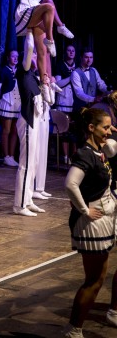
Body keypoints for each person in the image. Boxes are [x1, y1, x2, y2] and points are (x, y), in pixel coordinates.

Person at [63, 107, 117, 338]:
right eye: (105, 127)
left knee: (98, 278)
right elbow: (70, 184)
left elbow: (113, 149)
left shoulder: (99, 150)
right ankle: (74, 330)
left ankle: (110, 313)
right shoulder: (85, 154)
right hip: (92, 222)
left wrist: (108, 135)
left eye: (110, 126)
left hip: (106, 216)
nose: (109, 131)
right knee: (94, 281)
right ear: (90, 128)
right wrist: (84, 210)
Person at [13, 33, 56, 216]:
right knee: (26, 163)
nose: (38, 58)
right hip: (27, 120)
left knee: (34, 161)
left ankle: (28, 199)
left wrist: (47, 83)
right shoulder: (23, 72)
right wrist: (32, 31)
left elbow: (50, 101)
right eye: (36, 56)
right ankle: (19, 204)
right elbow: (29, 48)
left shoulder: (35, 78)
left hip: (36, 122)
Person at [70, 48, 109, 145]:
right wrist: (93, 99)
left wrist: (109, 92)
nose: (89, 60)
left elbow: (101, 84)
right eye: (86, 57)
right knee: (82, 137)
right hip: (80, 109)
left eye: (91, 57)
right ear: (81, 58)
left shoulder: (94, 70)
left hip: (93, 109)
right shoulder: (75, 73)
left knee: (93, 136)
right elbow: (79, 93)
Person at [0, 49, 21, 167]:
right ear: (8, 58)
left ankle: (12, 155)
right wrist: (1, 101)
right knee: (6, 130)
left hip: (17, 102)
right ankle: (5, 156)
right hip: (7, 101)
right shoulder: (3, 71)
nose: (15, 58)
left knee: (15, 131)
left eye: (17, 56)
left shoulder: (20, 70)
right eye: (13, 56)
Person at [53, 44, 77, 164]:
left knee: (74, 129)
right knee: (64, 129)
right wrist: (71, 77)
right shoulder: (60, 65)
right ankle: (65, 156)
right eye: (69, 50)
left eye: (73, 50)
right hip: (63, 100)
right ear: (65, 52)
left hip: (74, 101)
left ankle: (74, 156)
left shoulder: (77, 66)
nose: (71, 52)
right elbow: (58, 84)